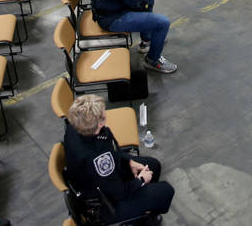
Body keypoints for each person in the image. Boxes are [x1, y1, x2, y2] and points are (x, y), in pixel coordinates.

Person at [63, 94, 173, 222]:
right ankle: (143, 218)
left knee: (154, 165)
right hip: (107, 204)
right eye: (104, 114)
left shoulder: (75, 126)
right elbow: (118, 193)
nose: (106, 114)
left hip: (99, 181)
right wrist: (141, 180)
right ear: (100, 123)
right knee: (165, 190)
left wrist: (129, 161)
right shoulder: (99, 158)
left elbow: (112, 149)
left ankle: (146, 207)